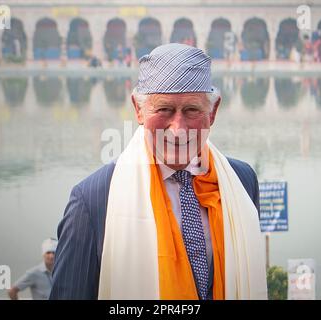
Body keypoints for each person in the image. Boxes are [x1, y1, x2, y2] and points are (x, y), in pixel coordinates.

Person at [50, 43, 267, 300]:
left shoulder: (240, 182)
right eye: (164, 109)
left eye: (192, 110)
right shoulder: (94, 199)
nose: (178, 128)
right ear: (138, 109)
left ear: (213, 111)